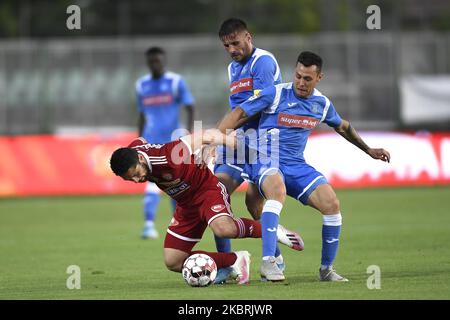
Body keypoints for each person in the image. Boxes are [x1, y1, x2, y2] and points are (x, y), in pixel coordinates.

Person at [216, 51, 391, 282]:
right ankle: (269, 263)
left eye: (307, 78)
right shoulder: (276, 94)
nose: (300, 82)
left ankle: (326, 269)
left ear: (319, 78)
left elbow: (344, 127)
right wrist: (218, 137)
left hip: (296, 164)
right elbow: (238, 113)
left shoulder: (322, 104)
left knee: (331, 203)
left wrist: (368, 150)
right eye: (298, 76)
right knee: (275, 191)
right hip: (264, 159)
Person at [109, 130, 304, 284]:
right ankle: (235, 261)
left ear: (141, 160)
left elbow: (206, 135)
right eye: (130, 179)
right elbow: (140, 141)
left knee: (223, 228)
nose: (137, 179)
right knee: (173, 261)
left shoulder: (169, 155)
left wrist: (232, 147)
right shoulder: (132, 154)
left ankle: (272, 230)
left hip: (206, 190)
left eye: (136, 173)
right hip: (186, 205)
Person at [212, 18, 286, 283]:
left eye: (235, 42)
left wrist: (219, 133)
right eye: (226, 45)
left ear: (248, 37)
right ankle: (227, 264)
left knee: (254, 202)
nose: (231, 49)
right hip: (239, 141)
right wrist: (223, 135)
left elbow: (258, 105)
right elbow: (236, 109)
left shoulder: (263, 62)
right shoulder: (233, 69)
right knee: (216, 192)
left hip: (264, 139)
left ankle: (274, 257)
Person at [135, 46, 195, 239]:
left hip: (172, 143)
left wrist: (187, 134)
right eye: (151, 61)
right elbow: (141, 115)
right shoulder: (141, 85)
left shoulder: (175, 82)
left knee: (174, 183)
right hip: (150, 142)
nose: (155, 64)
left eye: (158, 61)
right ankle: (148, 225)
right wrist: (139, 140)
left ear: (164, 61)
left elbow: (190, 107)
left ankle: (176, 223)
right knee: (151, 183)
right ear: (147, 62)